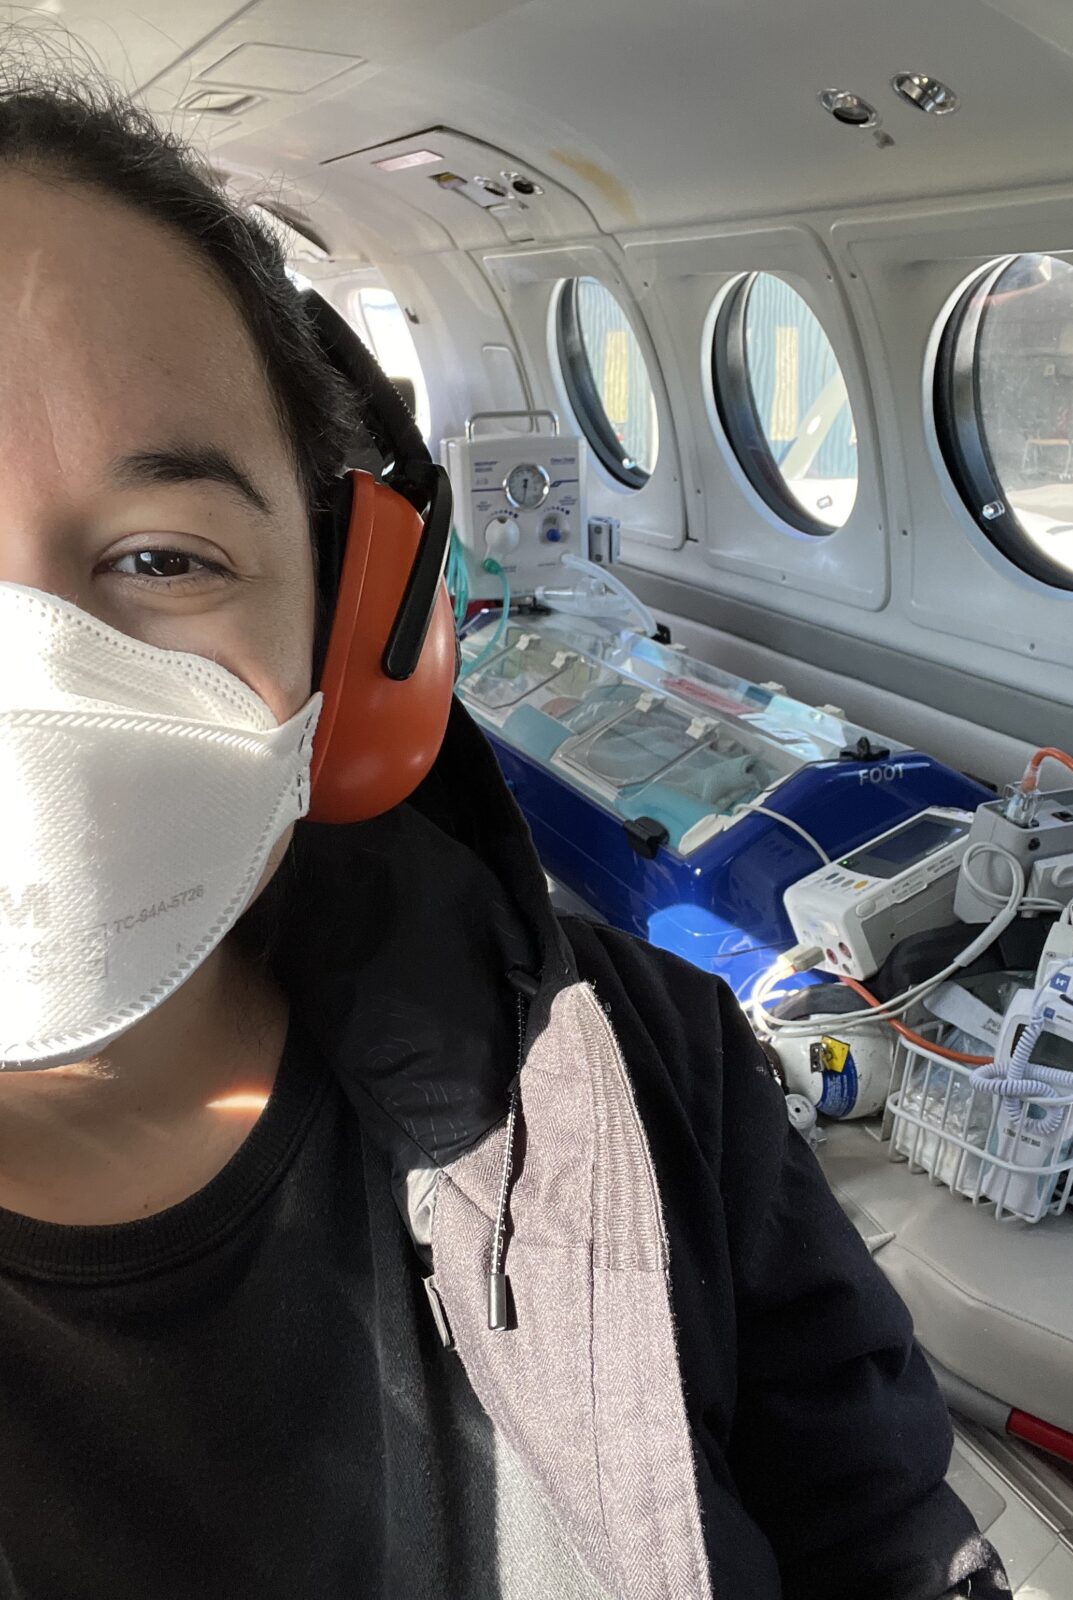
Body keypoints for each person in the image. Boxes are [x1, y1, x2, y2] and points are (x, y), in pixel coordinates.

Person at [0, 62, 1008, 1600]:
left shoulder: (651, 1074)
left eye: (161, 557)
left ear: (361, 647)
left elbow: (883, 1543)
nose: (41, 686)